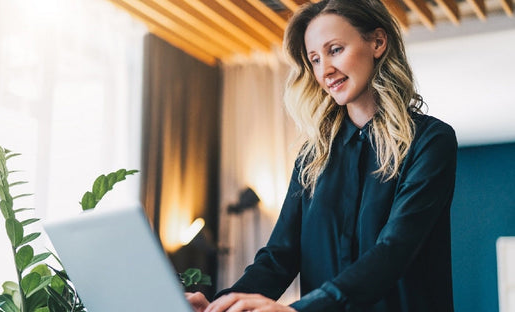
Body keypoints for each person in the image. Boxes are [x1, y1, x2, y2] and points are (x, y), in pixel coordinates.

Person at [188, 0, 457, 311]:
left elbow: (394, 250)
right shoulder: (313, 156)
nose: (324, 70)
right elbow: (280, 256)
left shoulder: (430, 140)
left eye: (335, 50)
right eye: (314, 59)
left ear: (378, 43)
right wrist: (218, 305)